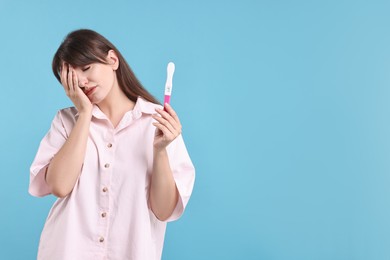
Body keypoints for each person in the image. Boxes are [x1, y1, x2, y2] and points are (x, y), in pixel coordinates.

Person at [29, 29, 195, 260]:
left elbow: (164, 210)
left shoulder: (158, 123)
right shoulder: (66, 122)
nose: (83, 82)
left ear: (112, 60)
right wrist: (85, 113)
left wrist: (159, 151)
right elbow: (59, 186)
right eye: (73, 79)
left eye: (86, 69)